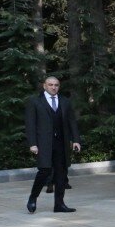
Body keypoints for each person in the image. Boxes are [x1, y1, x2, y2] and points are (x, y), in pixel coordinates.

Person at [25, 76, 81, 214]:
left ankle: (59, 204)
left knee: (61, 173)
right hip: (43, 143)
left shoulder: (65, 101)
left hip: (61, 143)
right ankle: (33, 198)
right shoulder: (35, 101)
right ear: (44, 86)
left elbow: (72, 122)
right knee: (44, 171)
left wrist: (76, 140)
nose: (53, 87)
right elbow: (30, 124)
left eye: (56, 85)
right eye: (50, 85)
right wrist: (32, 143)